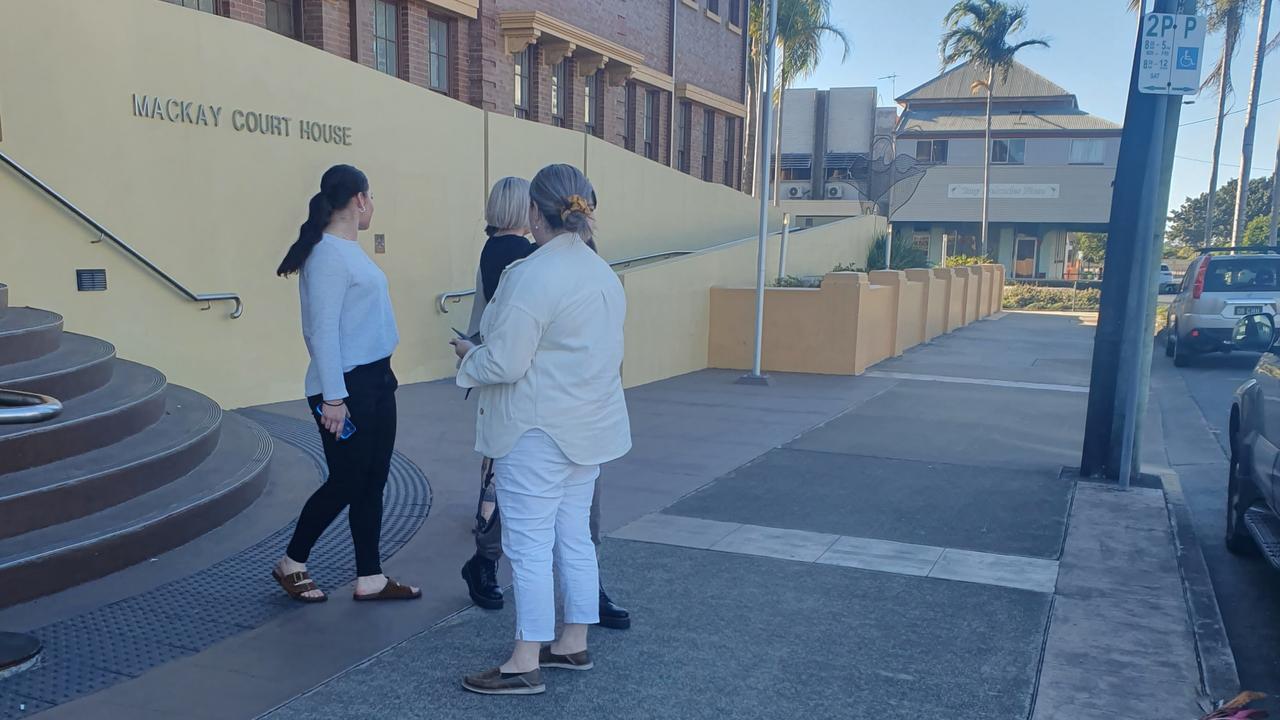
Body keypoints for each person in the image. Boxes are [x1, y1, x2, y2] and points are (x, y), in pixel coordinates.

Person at [451, 164, 631, 695]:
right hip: (588, 428)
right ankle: (571, 642)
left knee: (529, 545)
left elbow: (505, 362)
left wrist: (469, 356)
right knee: (574, 536)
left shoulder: (532, 274)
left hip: (535, 429)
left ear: (534, 213)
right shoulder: (602, 273)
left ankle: (524, 659)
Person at [271, 164, 420, 603]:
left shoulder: (346, 250)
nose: (372, 204)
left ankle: (370, 577)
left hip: (375, 379)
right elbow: (321, 332)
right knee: (347, 480)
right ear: (359, 200)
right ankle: (292, 562)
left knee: (373, 479)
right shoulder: (327, 257)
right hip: (343, 389)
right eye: (370, 197)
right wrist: (334, 398)